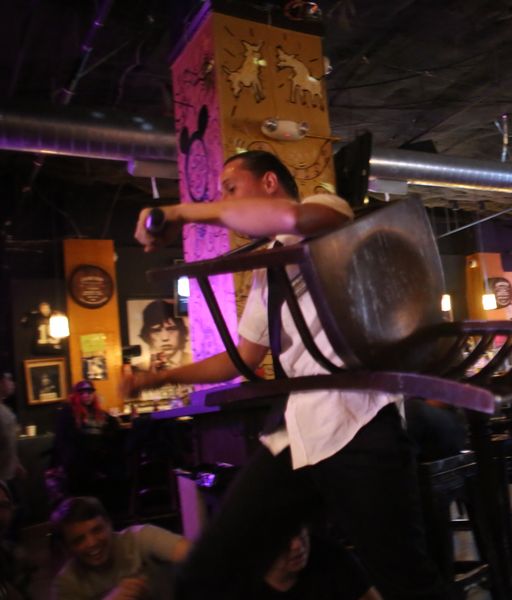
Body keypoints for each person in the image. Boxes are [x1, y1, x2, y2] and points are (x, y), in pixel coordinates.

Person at [125, 150, 447, 598]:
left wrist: (182, 212)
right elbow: (240, 359)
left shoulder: (325, 210)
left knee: (406, 581)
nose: (225, 201)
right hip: (298, 431)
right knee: (213, 563)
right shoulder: (267, 271)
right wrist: (158, 378)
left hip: (359, 421)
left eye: (231, 188)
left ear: (270, 182)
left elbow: (292, 218)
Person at [51, 496, 190, 600]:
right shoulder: (66, 583)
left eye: (97, 530)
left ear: (109, 524)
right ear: (68, 548)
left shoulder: (139, 537)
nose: (92, 543)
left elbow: (195, 556)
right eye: (79, 540)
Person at [257, 523, 381, 599]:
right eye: (284, 538)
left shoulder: (329, 554)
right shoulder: (247, 583)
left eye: (299, 531)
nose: (297, 545)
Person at [51, 381, 124, 507]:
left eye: (89, 392)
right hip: (78, 462)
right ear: (76, 395)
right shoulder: (68, 412)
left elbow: (112, 423)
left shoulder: (97, 412)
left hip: (96, 459)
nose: (86, 395)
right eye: (82, 393)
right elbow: (64, 439)